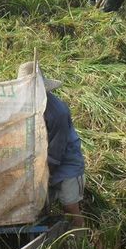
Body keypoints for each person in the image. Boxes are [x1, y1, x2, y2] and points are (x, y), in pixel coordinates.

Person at [18, 62, 85, 228]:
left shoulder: (57, 112)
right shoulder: (25, 108)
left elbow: (57, 151)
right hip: (40, 163)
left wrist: (43, 177)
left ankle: (81, 241)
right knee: (40, 210)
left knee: (70, 207)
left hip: (65, 163)